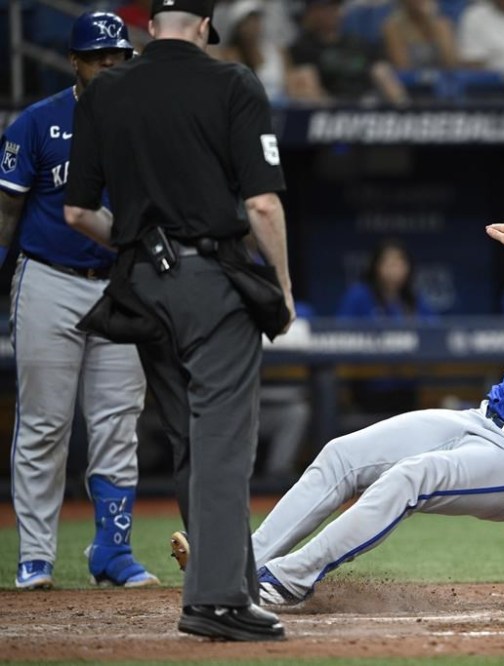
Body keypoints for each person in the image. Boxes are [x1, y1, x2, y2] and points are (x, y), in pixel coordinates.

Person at [229, 226, 504, 606]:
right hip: (482, 420)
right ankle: (241, 561)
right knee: (342, 454)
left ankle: (288, 580)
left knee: (411, 477)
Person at [63, 0, 294, 642]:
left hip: (137, 286)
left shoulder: (103, 90)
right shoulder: (230, 81)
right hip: (209, 280)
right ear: (201, 27)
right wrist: (281, 285)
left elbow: (80, 214)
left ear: (149, 28)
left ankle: (235, 585)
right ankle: (215, 601)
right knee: (223, 439)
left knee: (193, 440)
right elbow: (262, 204)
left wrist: (144, 247)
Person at [0, 11, 158, 591]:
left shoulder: (148, 122)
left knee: (119, 423)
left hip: (121, 280)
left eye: (119, 55)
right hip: (50, 277)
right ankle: (36, 556)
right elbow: (6, 211)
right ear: (75, 61)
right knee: (44, 423)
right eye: (98, 57)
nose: (111, 65)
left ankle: (112, 552)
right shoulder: (37, 122)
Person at [336, 238, 436, 414]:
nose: (395, 269)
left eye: (400, 263)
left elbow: (435, 331)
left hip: (407, 385)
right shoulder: (359, 295)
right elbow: (340, 335)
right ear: (376, 266)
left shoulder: (412, 298)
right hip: (367, 386)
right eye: (389, 263)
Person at [289, 0, 408, 105]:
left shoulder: (357, 42)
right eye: (324, 8)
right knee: (304, 79)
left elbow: (381, 70)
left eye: (334, 6)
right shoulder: (303, 47)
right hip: (330, 106)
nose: (331, 12)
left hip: (367, 101)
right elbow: (308, 86)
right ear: (312, 12)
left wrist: (399, 102)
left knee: (382, 71)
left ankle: (406, 114)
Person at [219, 0, 291, 101]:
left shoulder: (277, 51)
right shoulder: (230, 56)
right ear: (238, 27)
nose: (253, 25)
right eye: (248, 21)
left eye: (256, 20)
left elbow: (289, 83)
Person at [382, 0, 460, 71]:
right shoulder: (393, 27)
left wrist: (432, 23)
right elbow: (402, 67)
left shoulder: (442, 25)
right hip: (411, 83)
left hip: (441, 82)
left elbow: (451, 64)